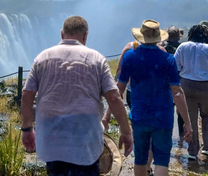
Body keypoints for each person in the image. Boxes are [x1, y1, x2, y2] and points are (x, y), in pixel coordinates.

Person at [21, 16, 133, 176]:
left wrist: (27, 129)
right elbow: (114, 98)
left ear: (62, 34)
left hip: (52, 141)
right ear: (85, 36)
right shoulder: (97, 60)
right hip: (86, 142)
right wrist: (126, 132)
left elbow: (27, 94)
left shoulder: (42, 59)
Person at [118, 20, 192, 176]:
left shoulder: (130, 57)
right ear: (159, 37)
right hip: (163, 117)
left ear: (141, 36)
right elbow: (177, 92)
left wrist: (115, 119)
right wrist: (187, 122)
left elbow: (120, 88)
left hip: (139, 116)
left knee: (140, 159)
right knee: (162, 160)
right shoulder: (168, 59)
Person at [174, 24, 208, 160]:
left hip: (186, 85)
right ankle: (207, 148)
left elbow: (175, 66)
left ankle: (193, 151)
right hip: (206, 86)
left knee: (190, 119)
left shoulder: (183, 47)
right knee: (207, 118)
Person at [161, 26, 185, 140]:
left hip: (165, 81)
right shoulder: (182, 47)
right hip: (180, 80)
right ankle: (181, 133)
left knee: (168, 107)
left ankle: (168, 132)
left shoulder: (163, 47)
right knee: (180, 107)